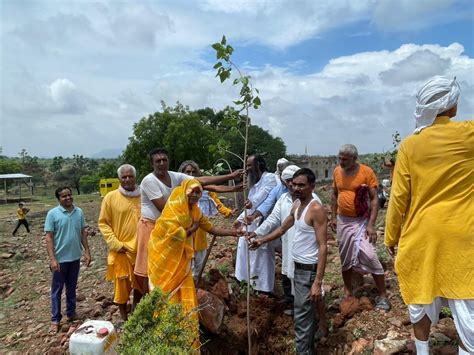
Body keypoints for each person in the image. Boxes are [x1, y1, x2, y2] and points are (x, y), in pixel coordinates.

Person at [385, 76, 473, 355]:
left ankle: (423, 351)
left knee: (421, 298)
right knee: (467, 303)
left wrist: (391, 236)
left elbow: (399, 198)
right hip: (464, 235)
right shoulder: (470, 134)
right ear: (453, 105)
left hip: (420, 235)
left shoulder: (410, 146)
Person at [134, 148, 242, 295]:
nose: (161, 163)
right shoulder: (149, 181)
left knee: (171, 268)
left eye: (164, 160)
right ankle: (148, 302)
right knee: (150, 269)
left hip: (173, 231)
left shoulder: (190, 204)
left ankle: (169, 298)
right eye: (158, 161)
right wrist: (192, 228)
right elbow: (165, 209)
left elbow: (201, 182)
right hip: (153, 227)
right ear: (151, 163)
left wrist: (230, 177)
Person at [147, 179, 240, 348]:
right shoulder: (173, 208)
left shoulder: (196, 213)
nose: (196, 195)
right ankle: (165, 334)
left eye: (199, 192)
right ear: (185, 192)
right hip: (164, 259)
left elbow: (211, 228)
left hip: (181, 260)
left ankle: (185, 334)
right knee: (166, 294)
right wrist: (191, 230)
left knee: (185, 295)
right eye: (193, 191)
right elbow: (170, 235)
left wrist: (233, 233)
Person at [249, 168, 328, 354]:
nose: (296, 188)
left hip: (308, 271)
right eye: (294, 184)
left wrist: (317, 282)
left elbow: (323, 246)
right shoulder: (296, 206)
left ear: (311, 187)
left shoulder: (315, 209)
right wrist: (261, 239)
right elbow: (281, 229)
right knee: (304, 316)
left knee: (301, 318)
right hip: (297, 268)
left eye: (302, 185)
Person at [330, 144, 390, 311]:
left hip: (361, 221)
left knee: (370, 255)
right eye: (339, 158)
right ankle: (348, 291)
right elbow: (335, 194)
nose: (341, 162)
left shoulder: (366, 172)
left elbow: (374, 199)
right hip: (343, 220)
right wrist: (333, 215)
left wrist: (371, 224)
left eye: (345, 159)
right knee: (345, 257)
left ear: (354, 159)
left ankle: (383, 295)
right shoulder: (336, 172)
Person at [178, 160, 239, 278]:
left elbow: (216, 202)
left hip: (201, 229)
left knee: (199, 265)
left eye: (193, 171)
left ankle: (197, 289)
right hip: (184, 232)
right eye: (188, 172)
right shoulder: (178, 189)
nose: (191, 174)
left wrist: (229, 211)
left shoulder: (205, 188)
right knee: (185, 268)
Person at [98, 164, 142, 322]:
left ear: (135, 177)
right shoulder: (110, 197)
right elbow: (103, 223)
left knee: (140, 286)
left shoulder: (144, 195)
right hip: (121, 251)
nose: (128, 179)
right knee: (122, 289)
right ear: (119, 179)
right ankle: (124, 320)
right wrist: (116, 244)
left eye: (131, 176)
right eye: (124, 177)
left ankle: (137, 315)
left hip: (141, 251)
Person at [44, 186, 91, 333]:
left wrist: (87, 252)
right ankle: (55, 319)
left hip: (75, 257)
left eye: (69, 195)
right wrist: (52, 259)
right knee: (57, 290)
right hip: (60, 260)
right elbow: (49, 237)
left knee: (71, 287)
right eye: (64, 196)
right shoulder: (52, 214)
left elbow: (83, 233)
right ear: (59, 199)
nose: (68, 198)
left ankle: (71, 313)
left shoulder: (79, 212)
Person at [235, 154, 277, 293]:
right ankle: (245, 283)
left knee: (261, 256)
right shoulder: (253, 184)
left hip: (264, 222)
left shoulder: (270, 178)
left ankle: (263, 289)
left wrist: (252, 203)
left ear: (258, 165)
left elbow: (262, 197)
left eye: (249, 165)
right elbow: (250, 205)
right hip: (250, 222)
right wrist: (240, 219)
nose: (246, 169)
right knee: (245, 250)